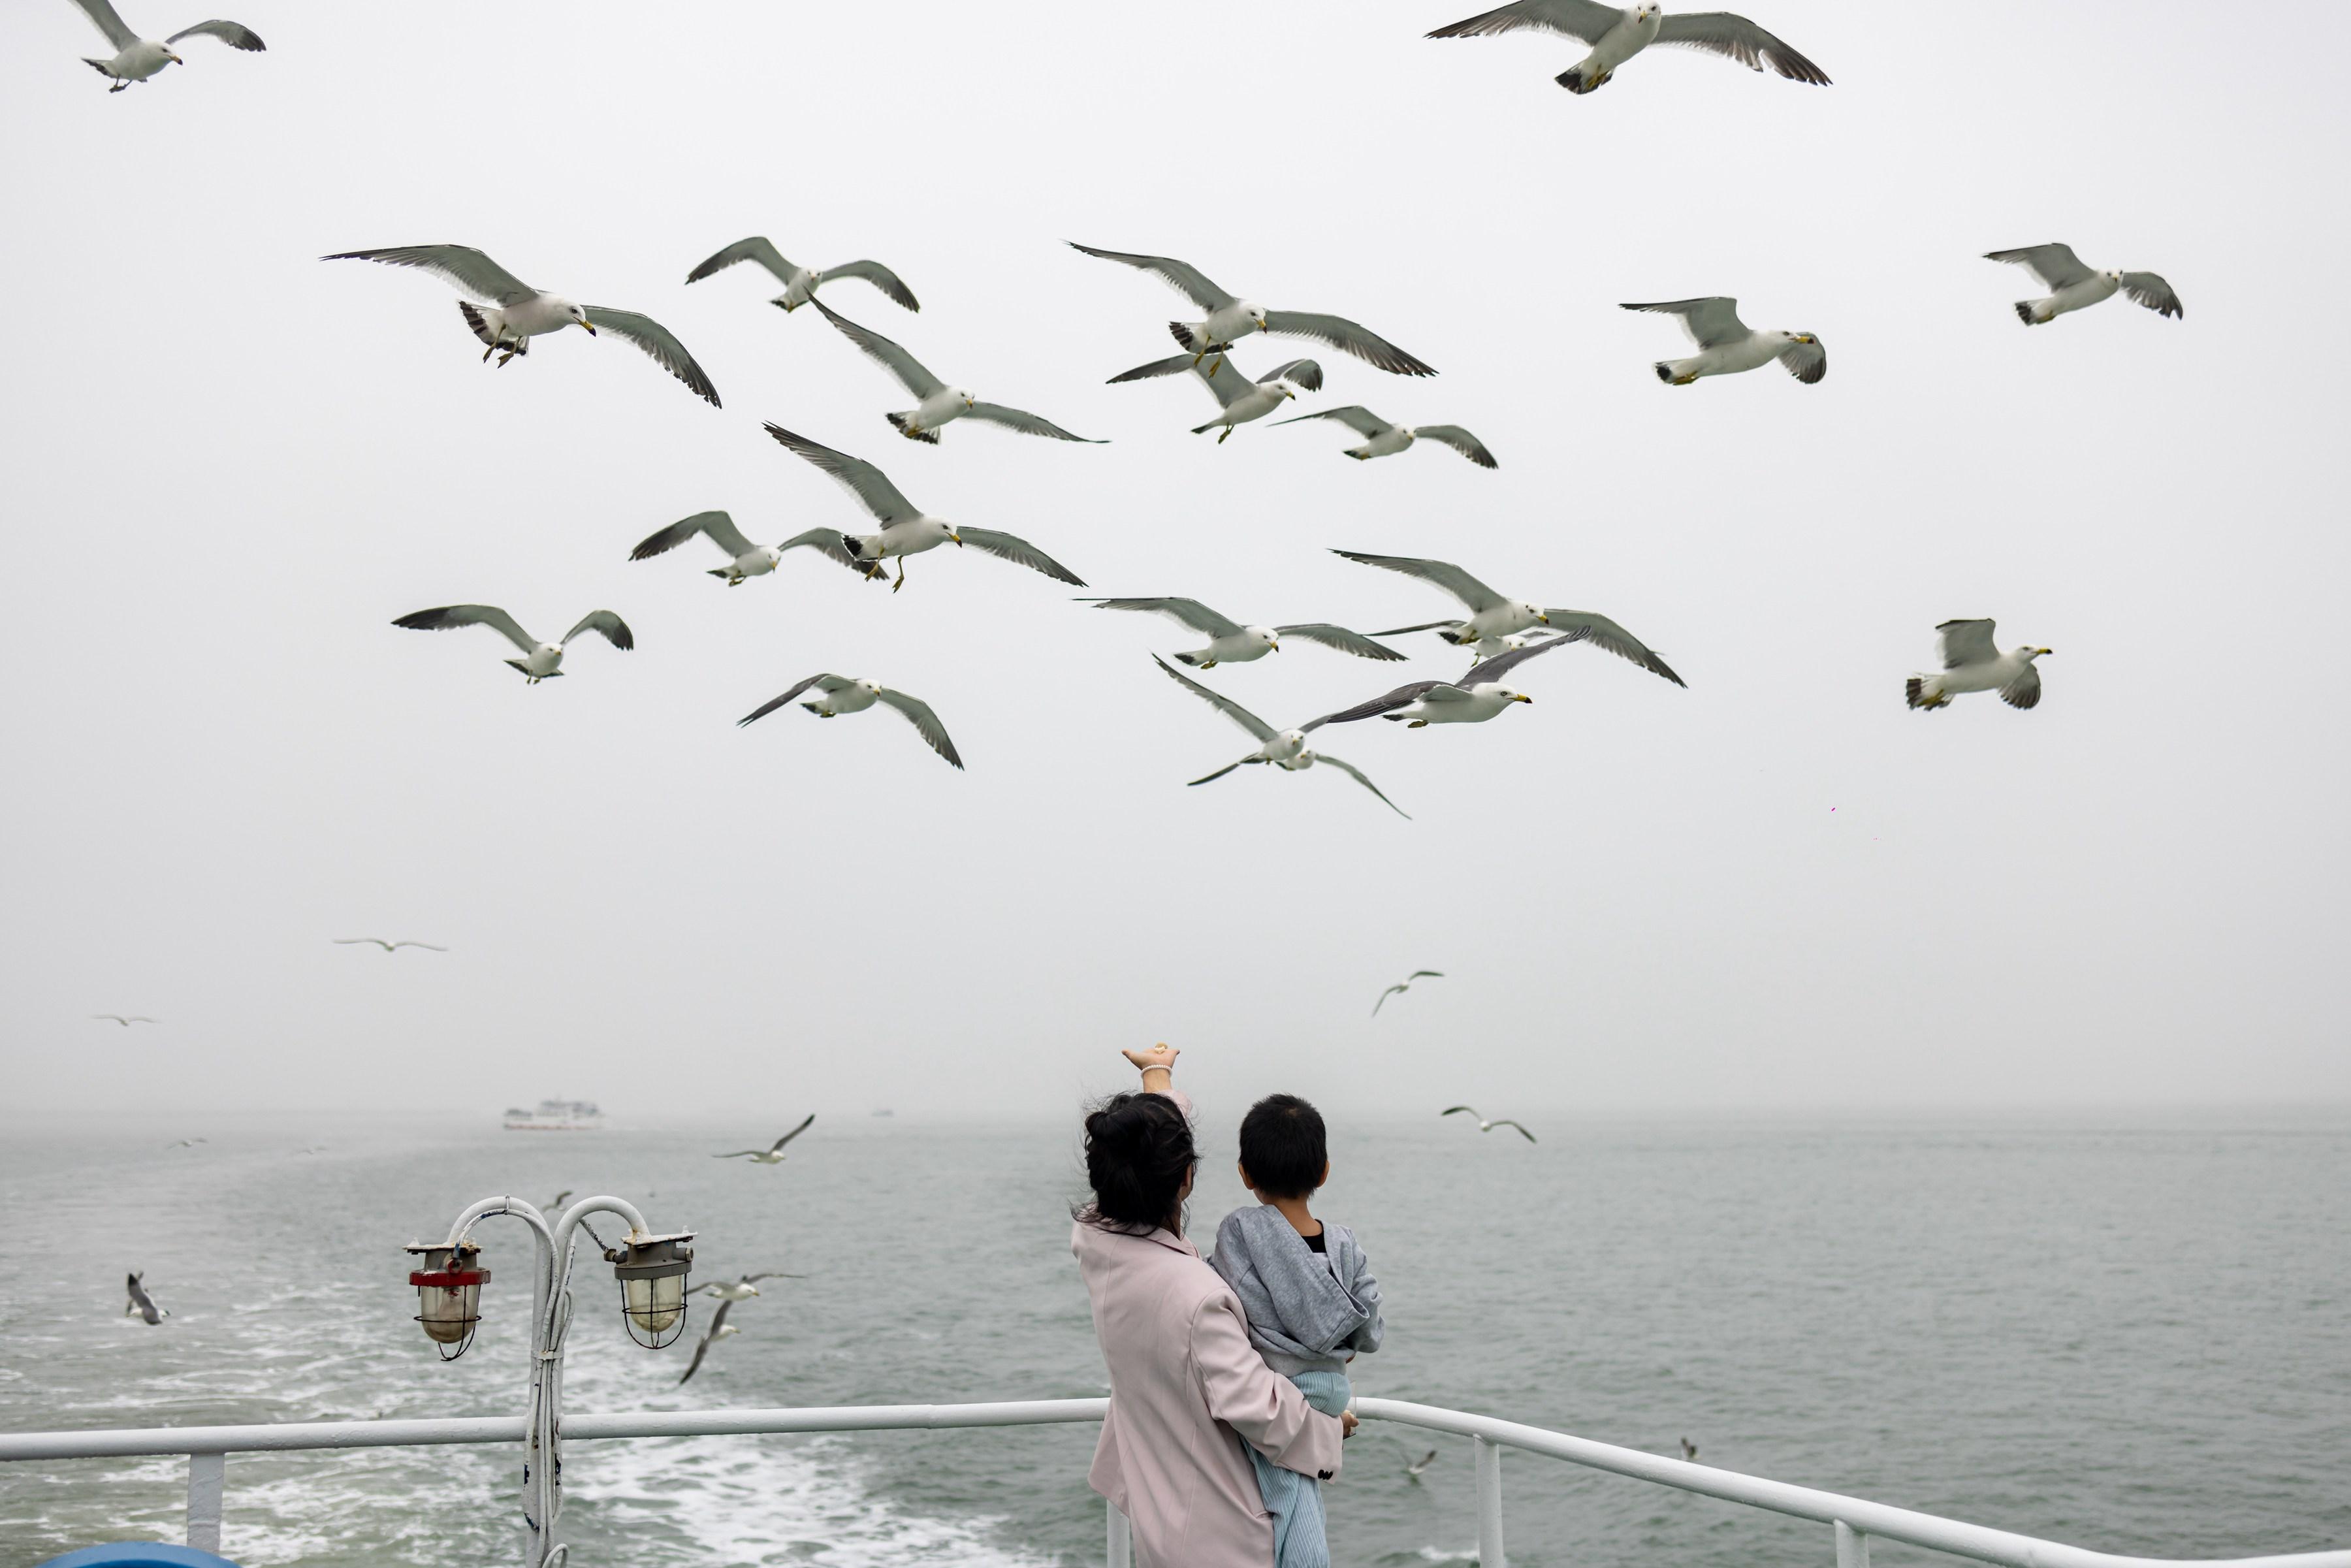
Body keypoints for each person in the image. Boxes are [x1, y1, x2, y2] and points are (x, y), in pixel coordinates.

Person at [1071, 1045, 1356, 1568]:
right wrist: (1330, 1428)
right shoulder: (1197, 1296)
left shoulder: (1094, 1244)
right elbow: (1258, 1406)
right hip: (1223, 1537)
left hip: (1160, 1517)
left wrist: (1158, 1079)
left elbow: (1125, 1175)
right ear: (1186, 1178)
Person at [1210, 1094, 1383, 1568]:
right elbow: (1370, 1328)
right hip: (1331, 1389)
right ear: (1324, 1170)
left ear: (1245, 1173)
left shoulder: (1240, 1230)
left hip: (1278, 1395)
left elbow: (1220, 1296)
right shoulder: (1345, 1242)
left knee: (1290, 1500)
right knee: (1299, 1493)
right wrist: (1340, 1337)